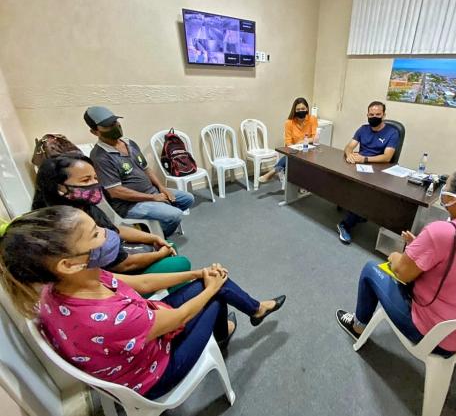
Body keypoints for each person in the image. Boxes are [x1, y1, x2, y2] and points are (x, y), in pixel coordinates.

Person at [0, 206, 286, 398]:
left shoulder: (67, 281)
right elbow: (180, 319)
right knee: (214, 296)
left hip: (138, 344)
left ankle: (254, 309)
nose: (108, 234)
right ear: (68, 263)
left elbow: (143, 283)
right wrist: (210, 288)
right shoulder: (108, 317)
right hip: (153, 375)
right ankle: (232, 328)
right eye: (96, 234)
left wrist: (199, 274)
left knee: (209, 283)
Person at [336, 166, 456, 355]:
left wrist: (396, 256)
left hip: (437, 336)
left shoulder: (443, 232)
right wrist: (421, 249)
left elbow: (402, 273)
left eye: (446, 189)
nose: (443, 193)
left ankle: (358, 327)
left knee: (371, 269)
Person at [32, 153, 190, 282]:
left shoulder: (84, 206)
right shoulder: (65, 227)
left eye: (95, 178)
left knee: (167, 245)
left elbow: (113, 229)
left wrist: (153, 238)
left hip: (118, 260)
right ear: (59, 187)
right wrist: (159, 254)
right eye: (86, 180)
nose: (95, 184)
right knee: (179, 262)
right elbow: (123, 266)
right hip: (108, 278)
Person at [84, 106, 194, 237]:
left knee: (188, 199)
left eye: (115, 122)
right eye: (108, 125)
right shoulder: (100, 157)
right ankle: (153, 238)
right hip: (130, 204)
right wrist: (153, 198)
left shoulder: (129, 143)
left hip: (151, 192)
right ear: (94, 132)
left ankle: (154, 225)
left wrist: (161, 188)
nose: (115, 126)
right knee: (174, 215)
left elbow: (146, 169)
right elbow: (115, 192)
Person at [336, 101, 400, 244]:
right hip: (360, 166)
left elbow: (387, 157)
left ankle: (345, 224)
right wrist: (350, 154)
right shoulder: (363, 129)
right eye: (371, 114)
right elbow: (349, 146)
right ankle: (355, 209)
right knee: (340, 176)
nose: (374, 117)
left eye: (378, 114)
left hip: (379, 169)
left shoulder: (392, 132)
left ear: (384, 115)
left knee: (362, 191)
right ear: (367, 115)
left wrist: (364, 159)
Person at [258, 97, 317, 183]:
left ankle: (272, 172)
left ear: (307, 109)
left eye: (303, 109)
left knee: (293, 159)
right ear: (295, 110)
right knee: (292, 158)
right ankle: (299, 183)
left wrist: (305, 141)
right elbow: (288, 142)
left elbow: (315, 137)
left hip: (309, 149)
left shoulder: (312, 119)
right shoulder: (289, 122)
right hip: (295, 150)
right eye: (298, 109)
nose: (301, 111)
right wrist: (297, 146)